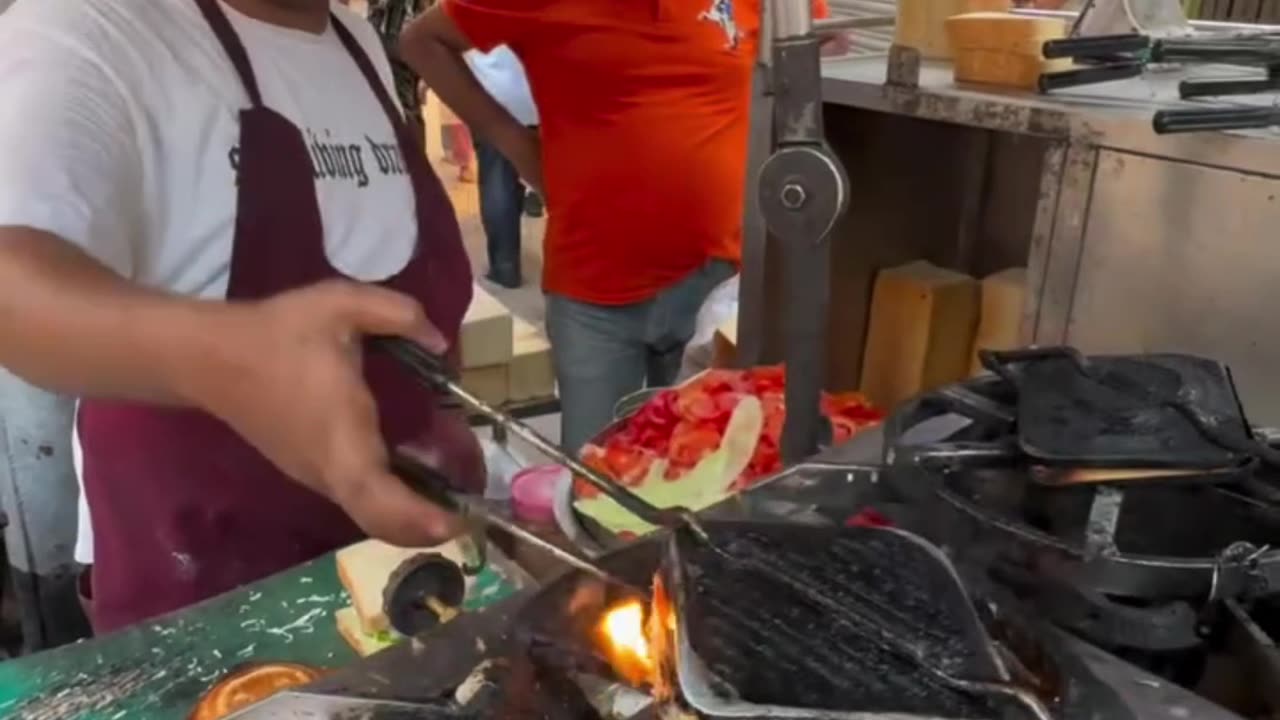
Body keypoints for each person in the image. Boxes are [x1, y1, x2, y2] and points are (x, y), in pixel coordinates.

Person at [0, 0, 480, 634]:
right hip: (216, 613)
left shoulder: (357, 44)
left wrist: (447, 416)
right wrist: (223, 357)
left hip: (404, 584)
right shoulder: (92, 28)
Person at [400, 0, 830, 452]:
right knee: (600, 482)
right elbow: (422, 42)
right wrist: (514, 142)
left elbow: (814, 50)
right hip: (596, 298)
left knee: (708, 475)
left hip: (718, 283)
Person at [465, 45, 539, 288]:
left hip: (495, 98)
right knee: (557, 179)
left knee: (498, 181)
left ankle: (506, 266)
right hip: (540, 95)